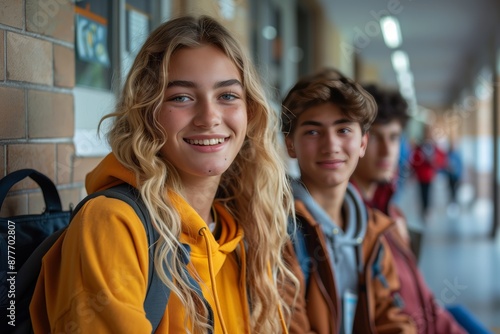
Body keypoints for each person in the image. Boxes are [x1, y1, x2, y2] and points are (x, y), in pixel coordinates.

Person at [29, 15, 297, 333]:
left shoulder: (241, 231)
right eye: (181, 97)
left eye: (227, 96)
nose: (209, 117)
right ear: (148, 112)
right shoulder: (113, 223)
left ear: (250, 111)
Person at [281, 69, 416, 333]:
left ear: (362, 143)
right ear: (290, 145)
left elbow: (391, 316)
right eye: (312, 132)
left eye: (343, 130)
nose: (331, 145)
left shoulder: (373, 229)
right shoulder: (277, 229)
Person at [351, 84, 467, 334]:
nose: (387, 150)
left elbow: (425, 301)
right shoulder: (348, 223)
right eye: (375, 138)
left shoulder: (394, 215)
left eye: (394, 137)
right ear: (357, 142)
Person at [410, 125, 447, 220]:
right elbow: (414, 160)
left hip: (429, 175)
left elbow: (441, 159)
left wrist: (434, 162)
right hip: (421, 174)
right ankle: (424, 209)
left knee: (429, 192)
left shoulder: (433, 147)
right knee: (422, 193)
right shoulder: (420, 147)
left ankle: (427, 209)